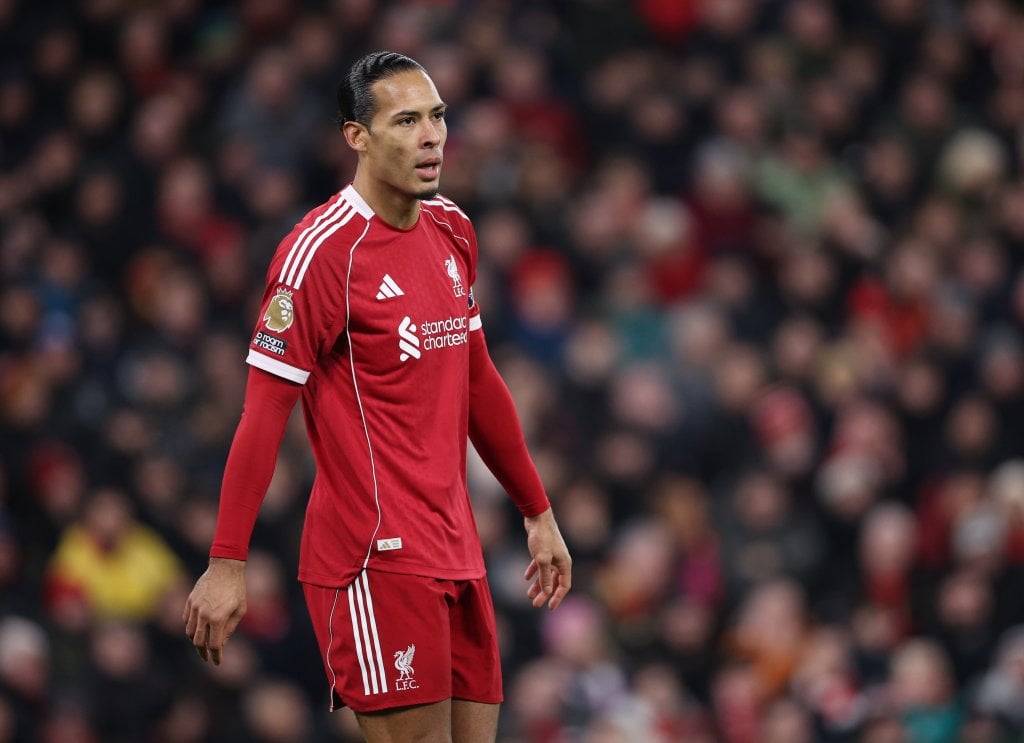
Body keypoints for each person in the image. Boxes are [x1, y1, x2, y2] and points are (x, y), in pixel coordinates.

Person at [182, 50, 572, 741]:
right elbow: (264, 412)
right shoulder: (319, 255)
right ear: (357, 137)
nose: (431, 137)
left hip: (458, 546)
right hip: (373, 558)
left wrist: (537, 511)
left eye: (437, 117)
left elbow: (477, 376)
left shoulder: (452, 228)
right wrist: (226, 561)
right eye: (406, 121)